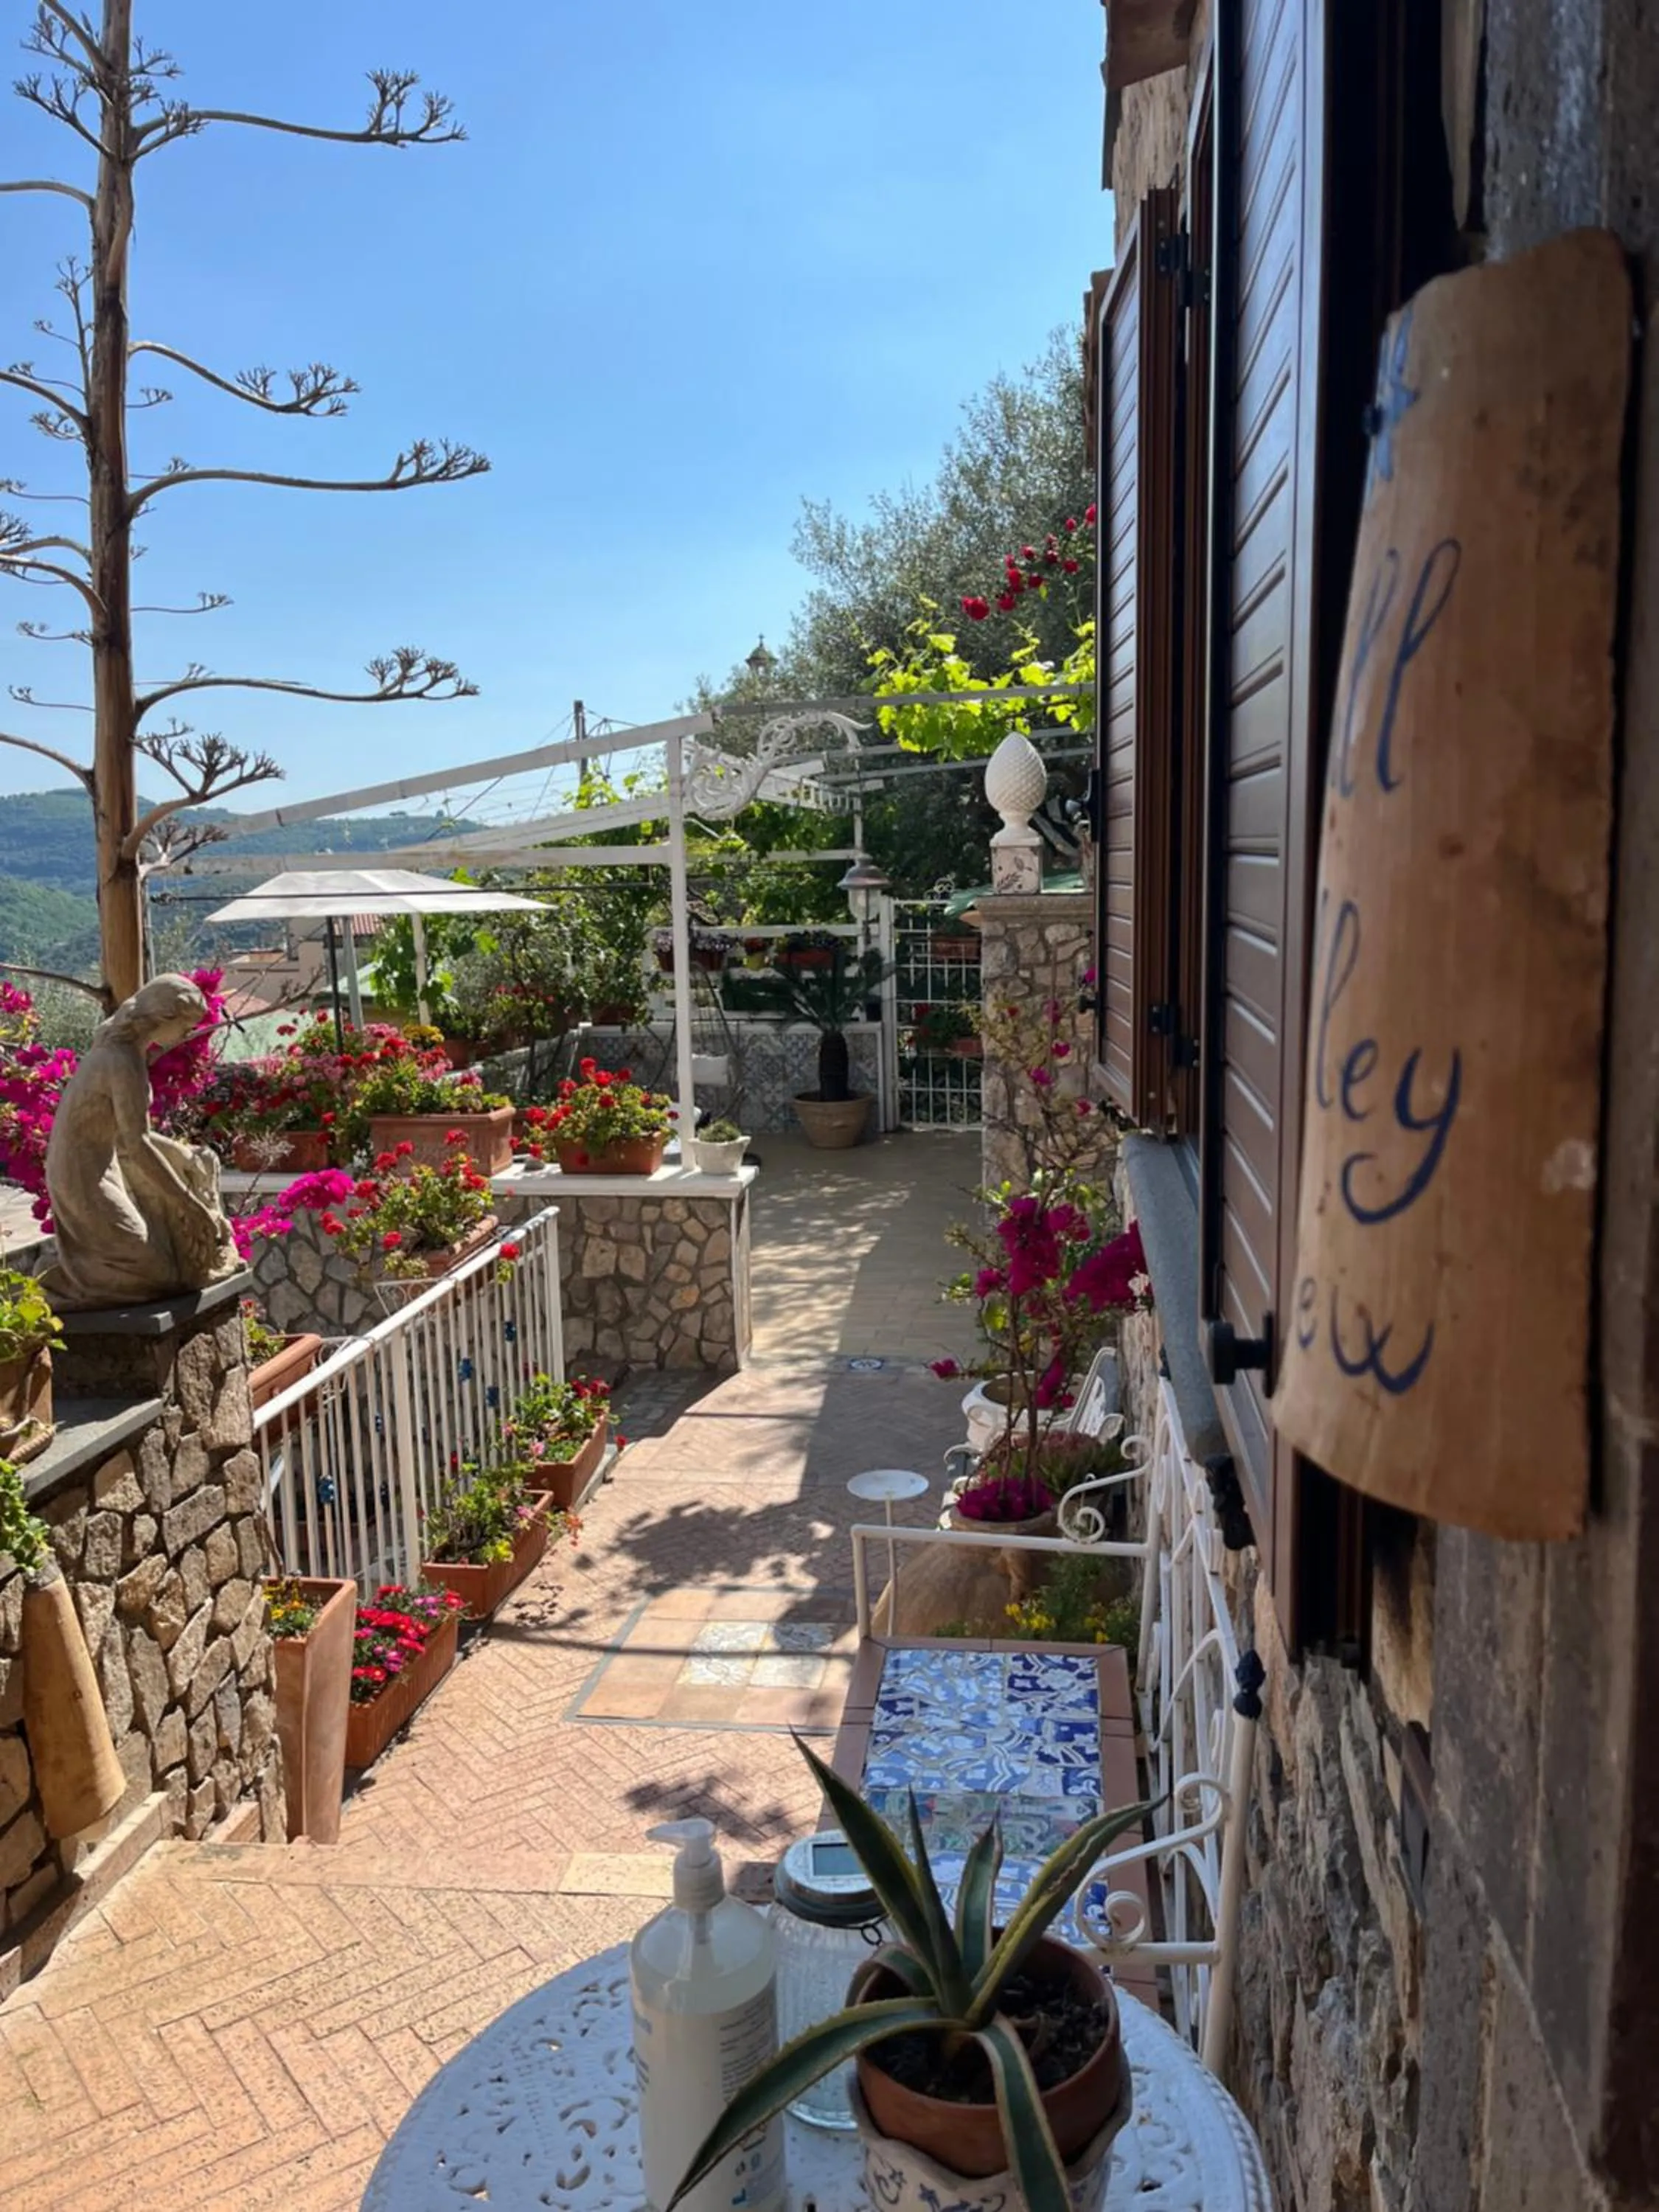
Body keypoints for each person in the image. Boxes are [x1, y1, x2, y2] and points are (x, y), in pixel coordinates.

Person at [42, 974, 241, 1310]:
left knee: (158, 1266)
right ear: (163, 1017)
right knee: (154, 1275)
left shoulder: (127, 1052)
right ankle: (65, 1287)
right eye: (185, 1025)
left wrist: (184, 1156)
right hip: (81, 1174)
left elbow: (129, 1136)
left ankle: (74, 1279)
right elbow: (137, 1144)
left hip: (104, 1165)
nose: (186, 1035)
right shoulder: (120, 1061)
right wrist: (188, 1203)